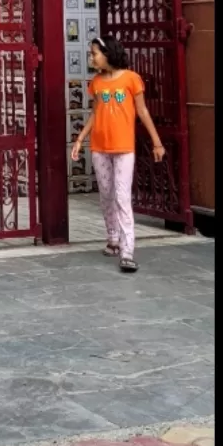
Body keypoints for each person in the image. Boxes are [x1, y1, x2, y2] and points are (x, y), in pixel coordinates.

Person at [71, 36, 165, 275]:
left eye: (94, 53)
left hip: (124, 149)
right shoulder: (96, 83)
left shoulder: (131, 79)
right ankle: (112, 239)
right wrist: (81, 139)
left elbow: (142, 111)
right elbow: (95, 113)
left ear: (108, 54)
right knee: (105, 195)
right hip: (100, 148)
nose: (91, 58)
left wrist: (156, 142)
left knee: (122, 196)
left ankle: (127, 251)